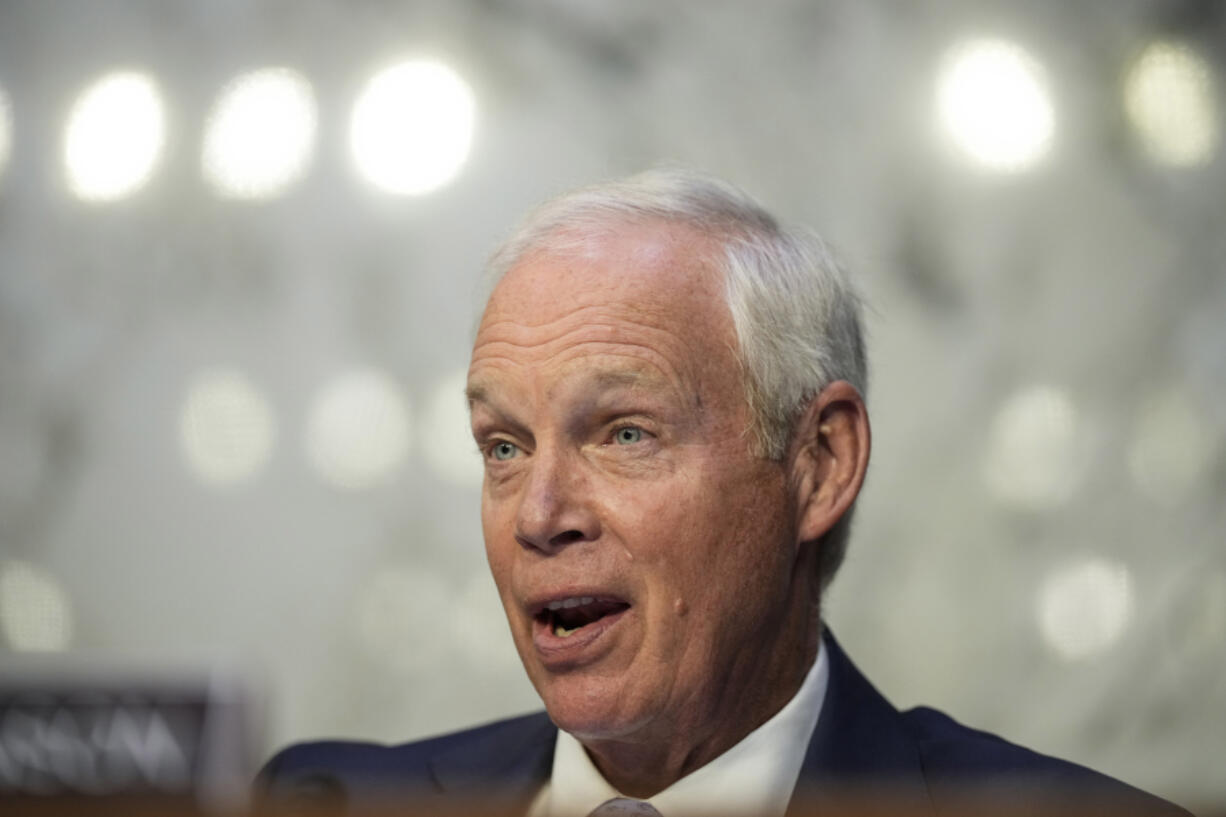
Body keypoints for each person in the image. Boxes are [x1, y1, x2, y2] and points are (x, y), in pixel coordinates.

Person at [257, 170, 1188, 817]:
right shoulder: (326, 801)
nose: (539, 514)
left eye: (624, 433)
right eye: (503, 446)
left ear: (819, 463)